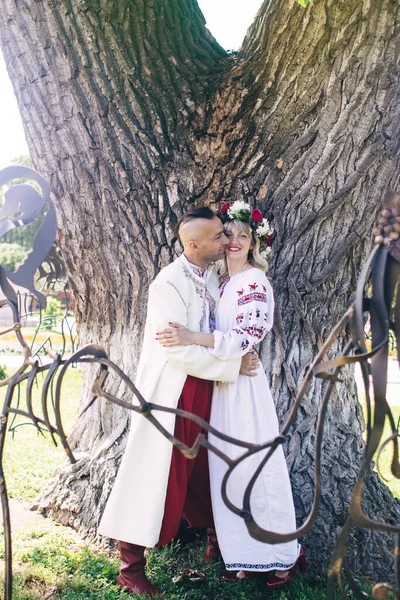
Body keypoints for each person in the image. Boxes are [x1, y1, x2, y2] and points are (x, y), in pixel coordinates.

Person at [98, 206, 260, 597]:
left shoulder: (212, 276)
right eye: (218, 237)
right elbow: (176, 353)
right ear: (193, 244)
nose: (226, 241)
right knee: (159, 474)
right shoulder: (167, 284)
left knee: (209, 466)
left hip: (208, 388)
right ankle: (130, 566)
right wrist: (233, 366)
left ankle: (218, 543)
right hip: (174, 392)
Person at [156, 201, 306, 589]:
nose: (234, 241)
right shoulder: (220, 283)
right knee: (227, 471)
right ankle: (245, 555)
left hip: (244, 386)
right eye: (229, 234)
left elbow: (245, 338)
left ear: (256, 244)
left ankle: (283, 555)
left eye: (243, 235)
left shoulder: (255, 282)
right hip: (221, 387)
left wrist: (193, 338)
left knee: (256, 467)